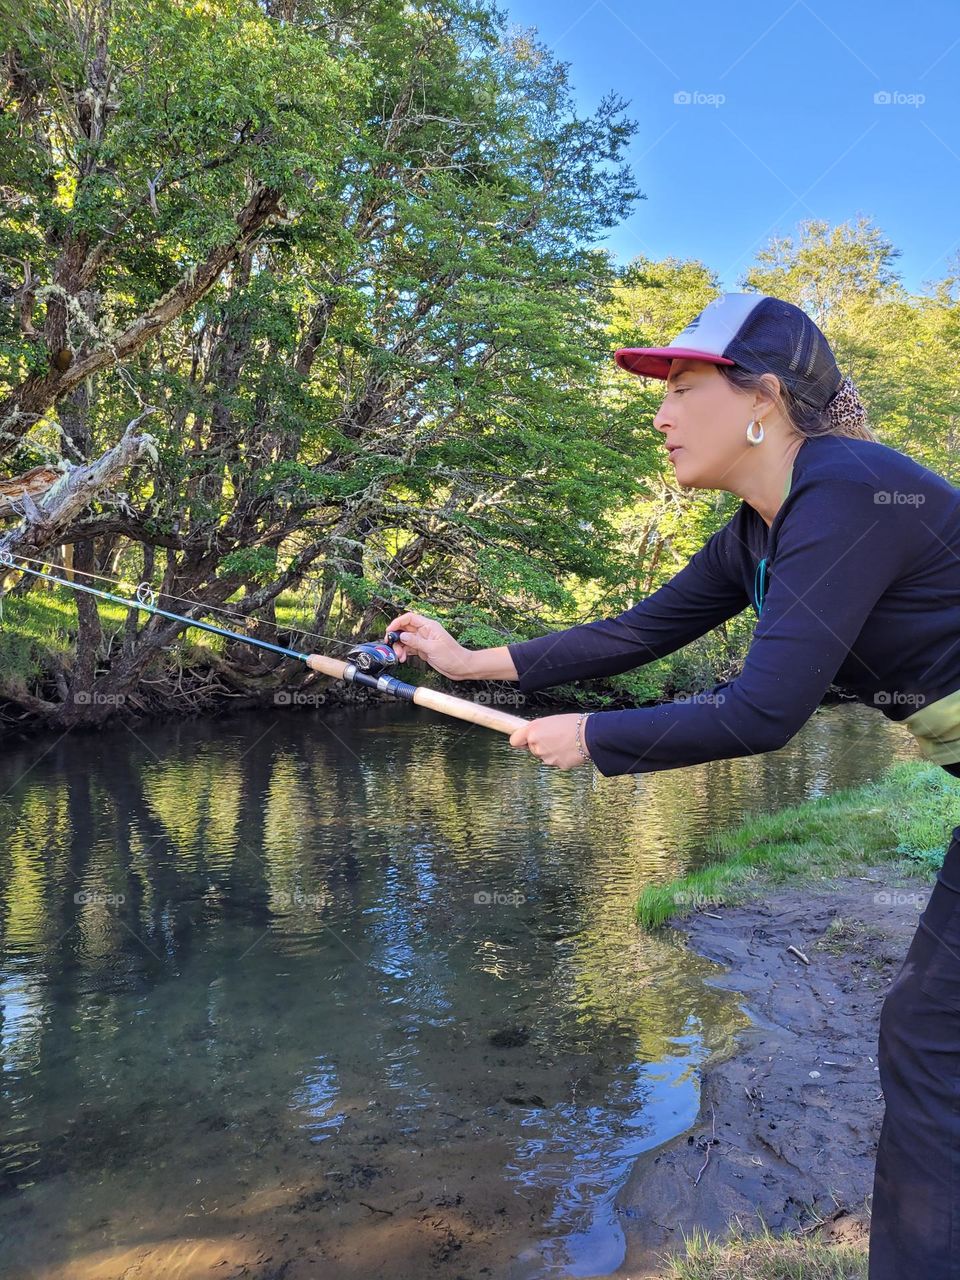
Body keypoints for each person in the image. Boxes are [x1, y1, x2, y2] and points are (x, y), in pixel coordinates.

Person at [386, 292, 960, 1279]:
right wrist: (466, 659)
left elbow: (762, 711)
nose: (659, 415)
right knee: (928, 1029)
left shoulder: (849, 491)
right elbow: (635, 632)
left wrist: (595, 737)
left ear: (763, 400)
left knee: (927, 1031)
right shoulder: (759, 531)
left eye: (683, 388)